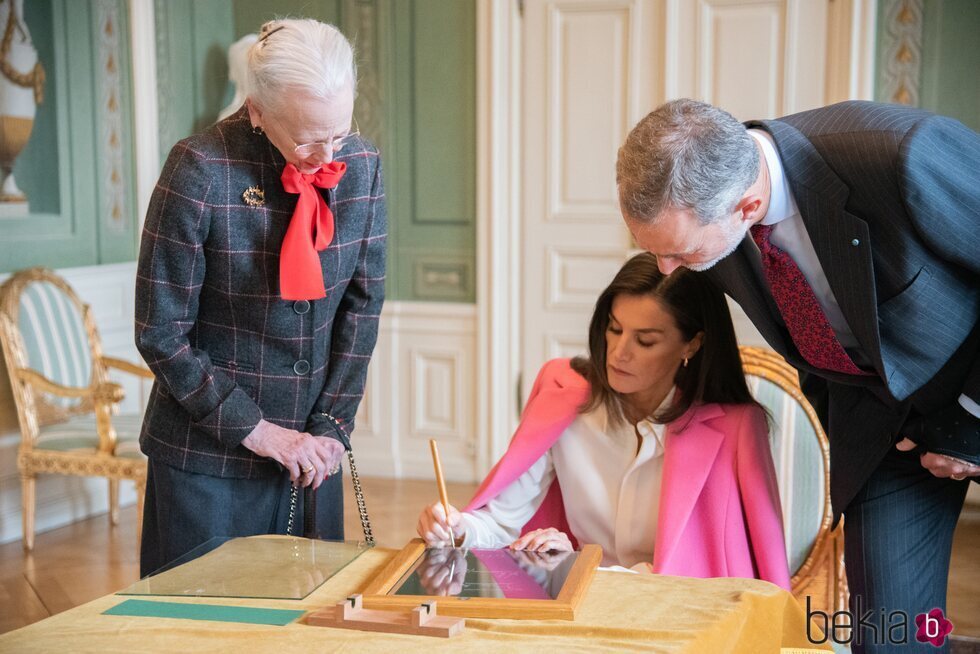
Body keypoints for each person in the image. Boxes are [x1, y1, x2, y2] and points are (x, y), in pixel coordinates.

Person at [617, 99, 979, 652]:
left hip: (972, 391)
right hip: (882, 427)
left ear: (749, 204)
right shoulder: (713, 222)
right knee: (889, 638)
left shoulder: (904, 156)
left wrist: (971, 425)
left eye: (679, 253)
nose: (667, 270)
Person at [135, 19, 386, 577]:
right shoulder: (199, 168)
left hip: (311, 463)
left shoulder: (364, 167)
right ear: (256, 110)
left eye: (338, 134)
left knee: (309, 626)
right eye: (306, 138)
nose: (326, 156)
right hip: (206, 463)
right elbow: (161, 332)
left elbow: (363, 307)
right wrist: (262, 433)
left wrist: (329, 429)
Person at [417, 253, 791, 590]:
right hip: (578, 608)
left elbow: (737, 575)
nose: (619, 353)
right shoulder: (562, 396)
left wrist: (578, 567)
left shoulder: (736, 428)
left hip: (675, 622)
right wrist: (456, 529)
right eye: (614, 329)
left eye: (645, 341)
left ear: (691, 345)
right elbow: (501, 522)